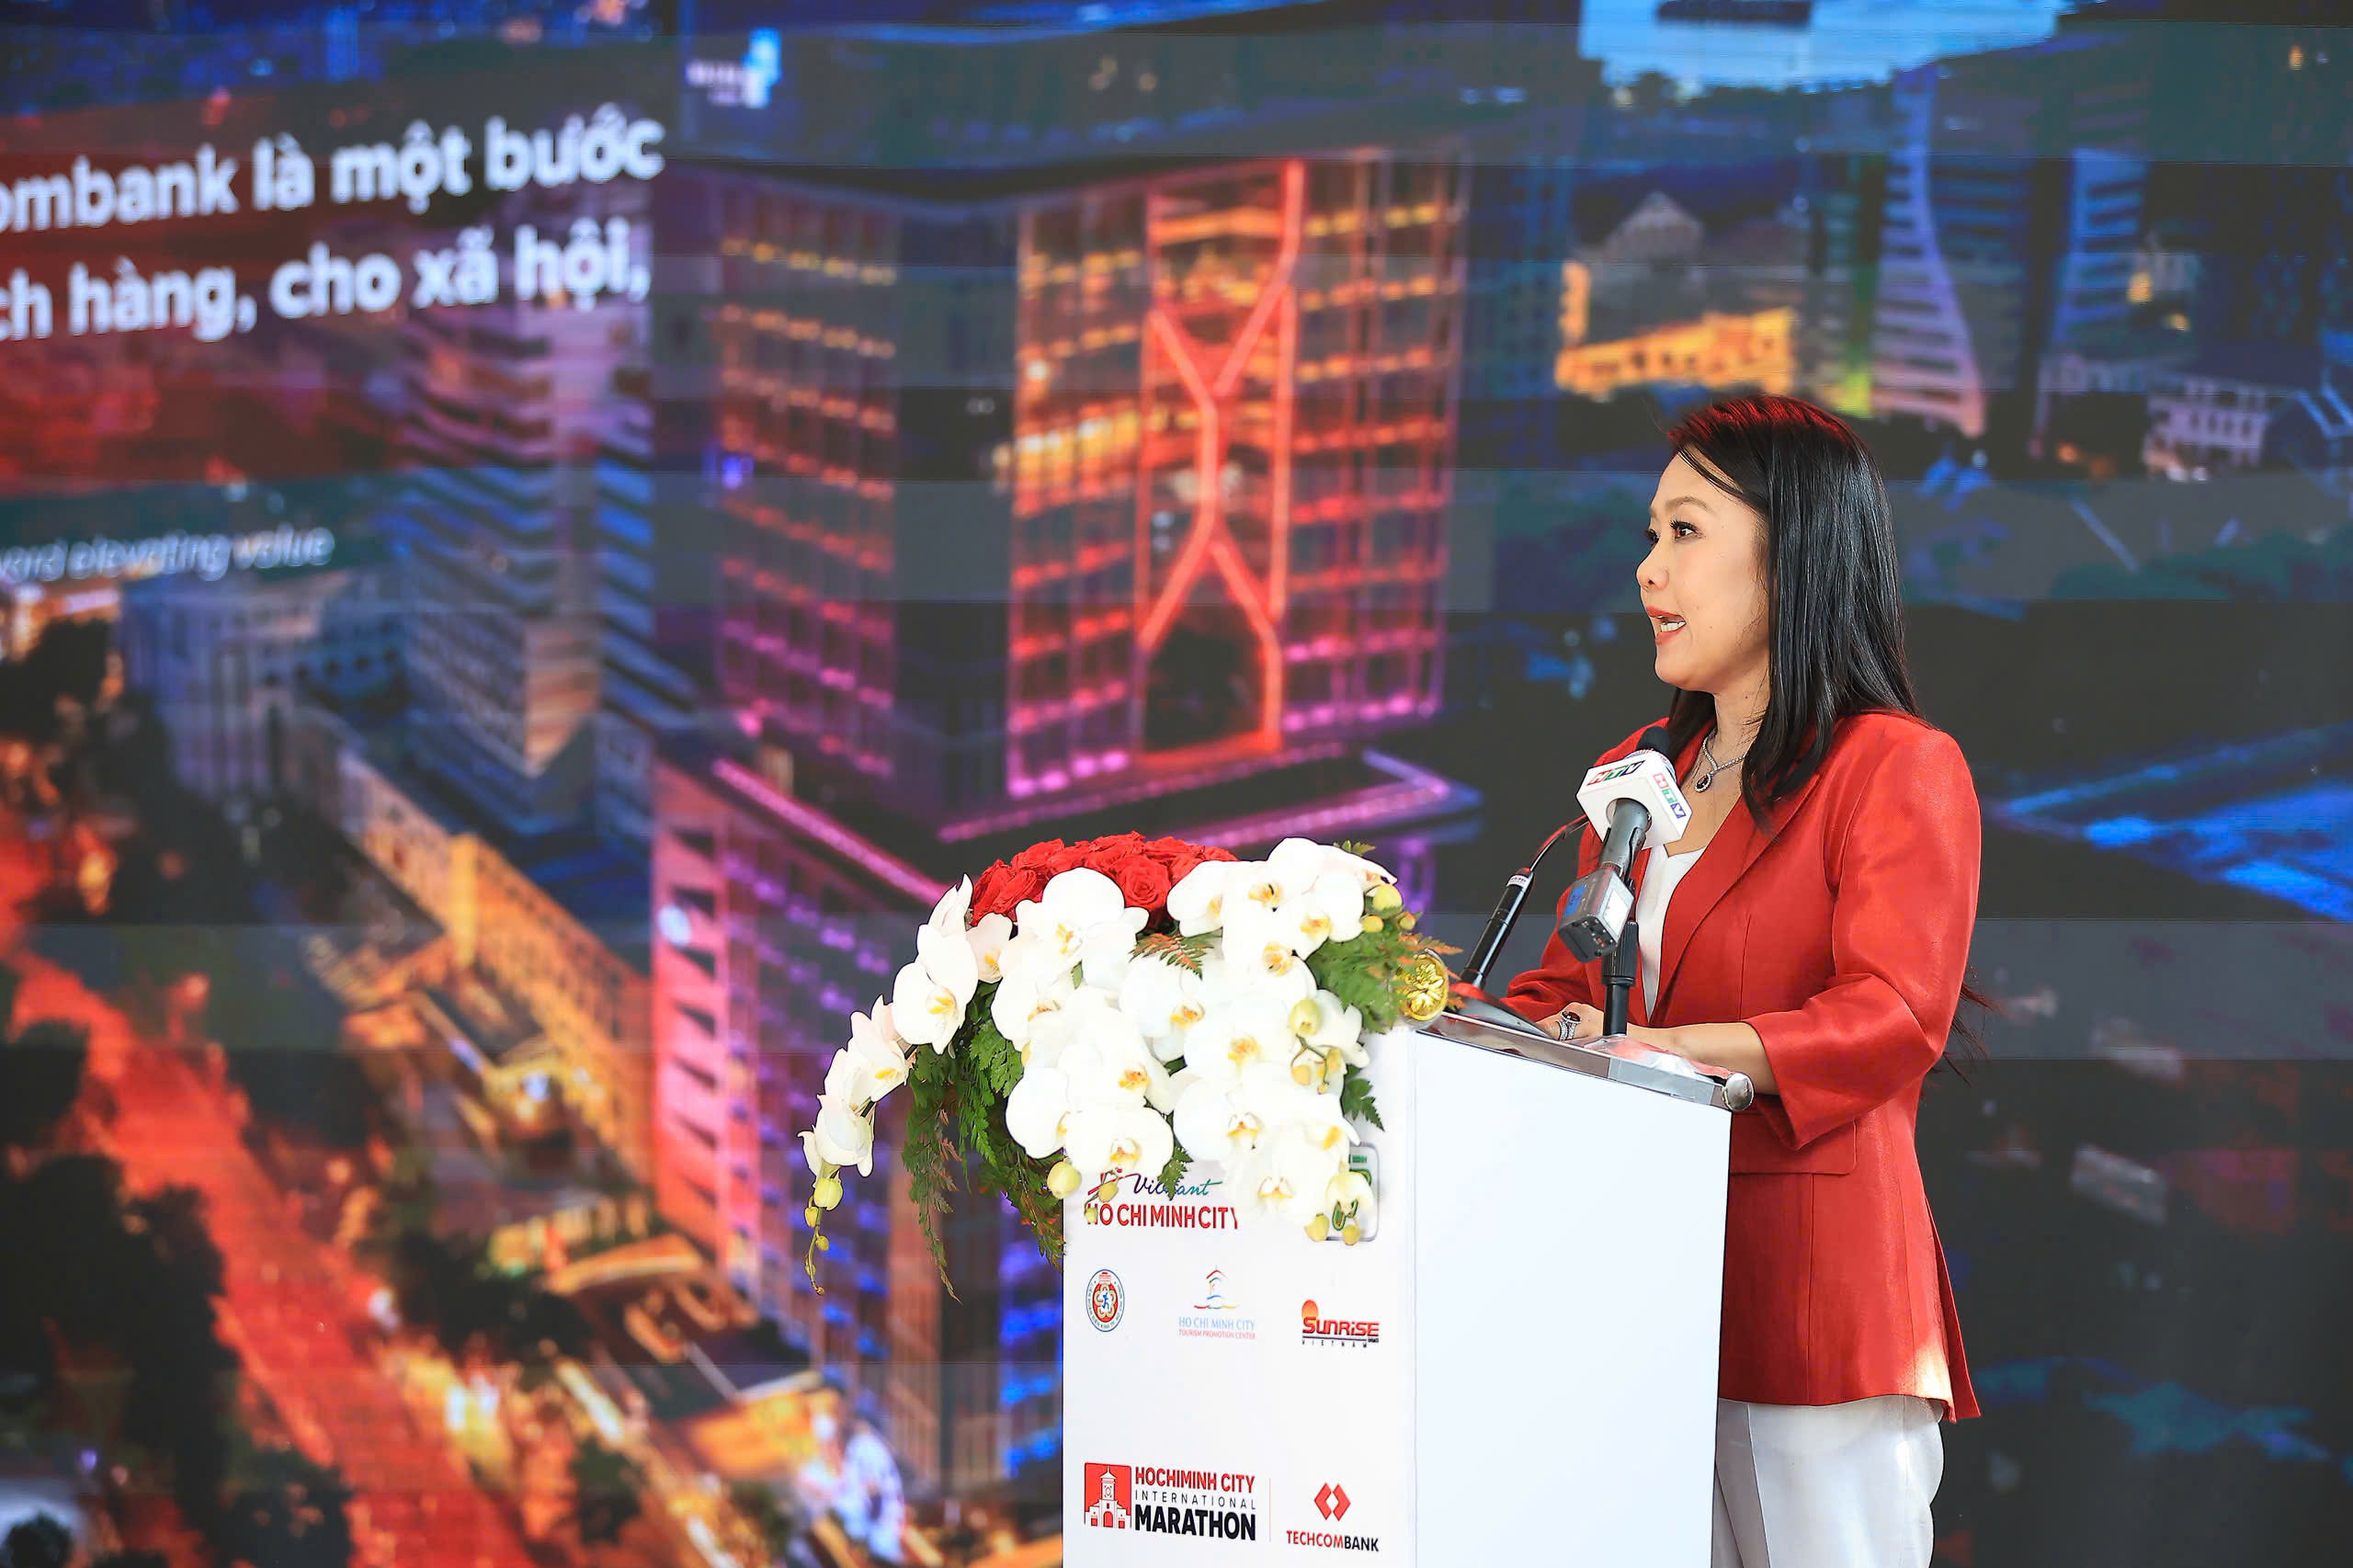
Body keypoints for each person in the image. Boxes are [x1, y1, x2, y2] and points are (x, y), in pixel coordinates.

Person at [1505, 394, 1980, 1568]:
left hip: (1814, 1303)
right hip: (1638, 1292)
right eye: (1649, 535)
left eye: (1684, 532)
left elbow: (1894, 1014)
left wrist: (1665, 1050)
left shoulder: (1894, 767)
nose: (1647, 569)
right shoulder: (1638, 768)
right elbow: (1563, 989)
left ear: (1791, 553)